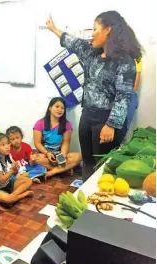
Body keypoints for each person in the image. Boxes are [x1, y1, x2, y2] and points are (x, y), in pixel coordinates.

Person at [46, 11, 141, 181]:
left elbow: (124, 96)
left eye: (96, 28)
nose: (92, 33)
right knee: (88, 161)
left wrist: (111, 125)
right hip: (87, 115)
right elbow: (73, 42)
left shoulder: (124, 61)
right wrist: (54, 29)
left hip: (106, 120)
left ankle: (101, 199)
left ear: (108, 30)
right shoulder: (93, 53)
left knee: (103, 166)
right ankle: (87, 195)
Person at [33, 98, 82, 178]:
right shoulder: (40, 123)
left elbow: (66, 142)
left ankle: (52, 172)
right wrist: (47, 153)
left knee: (78, 157)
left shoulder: (67, 125)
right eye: (57, 107)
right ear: (50, 108)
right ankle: (65, 169)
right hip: (45, 154)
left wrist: (62, 157)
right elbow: (37, 143)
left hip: (59, 153)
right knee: (36, 160)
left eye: (62, 108)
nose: (60, 110)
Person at [0, 133, 34, 205]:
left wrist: (16, 169)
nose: (7, 147)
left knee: (28, 180)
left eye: (8, 143)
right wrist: (12, 170)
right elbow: (1, 180)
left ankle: (13, 196)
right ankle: (21, 195)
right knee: (9, 199)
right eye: (3, 145)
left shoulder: (8, 155)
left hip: (7, 184)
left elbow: (14, 173)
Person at [126, 58, 143, 131]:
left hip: (129, 96)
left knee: (124, 128)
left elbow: (135, 86)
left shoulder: (137, 58)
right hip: (114, 95)